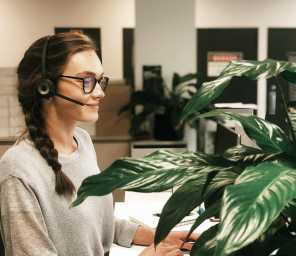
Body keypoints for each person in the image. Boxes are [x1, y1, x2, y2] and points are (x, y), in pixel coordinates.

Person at [0, 32, 197, 256]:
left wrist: (156, 234)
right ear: (45, 86)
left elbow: (92, 222)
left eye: (100, 80)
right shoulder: (17, 171)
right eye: (87, 80)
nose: (100, 92)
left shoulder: (82, 142)